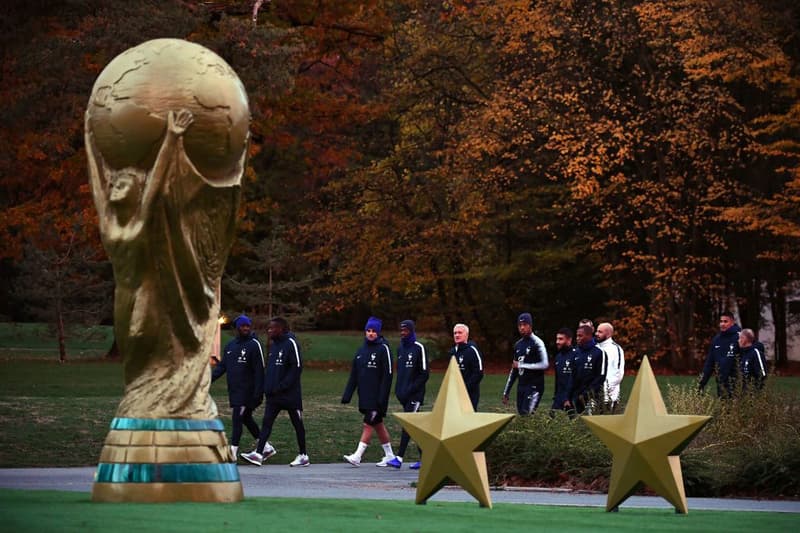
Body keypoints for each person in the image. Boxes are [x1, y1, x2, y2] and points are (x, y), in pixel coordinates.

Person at [241, 317, 309, 467]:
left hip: (290, 395)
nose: (269, 331)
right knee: (266, 423)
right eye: (268, 328)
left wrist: (282, 386)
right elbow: (271, 369)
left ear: (281, 329)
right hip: (273, 395)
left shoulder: (291, 343)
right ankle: (259, 453)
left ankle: (303, 455)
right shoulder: (274, 345)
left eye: (272, 328)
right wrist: (268, 387)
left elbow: (297, 367)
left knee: (297, 424)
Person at [211, 315, 272, 460]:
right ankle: (267, 447)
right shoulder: (230, 346)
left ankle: (232, 452)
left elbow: (259, 370)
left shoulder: (254, 344)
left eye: (248, 326)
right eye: (243, 326)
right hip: (235, 390)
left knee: (237, 418)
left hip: (249, 391)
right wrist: (207, 381)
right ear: (237, 328)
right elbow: (222, 367)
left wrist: (259, 392)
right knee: (245, 418)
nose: (246, 328)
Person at [342, 317, 396, 467]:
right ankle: (390, 455)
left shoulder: (383, 348)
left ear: (378, 333)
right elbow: (354, 374)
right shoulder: (361, 350)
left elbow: (388, 375)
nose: (371, 334)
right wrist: (348, 394)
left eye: (374, 331)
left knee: (368, 424)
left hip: (377, 397)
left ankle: (357, 456)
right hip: (364, 396)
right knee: (377, 424)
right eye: (368, 331)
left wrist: (382, 397)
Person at [386, 320, 429, 470]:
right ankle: (425, 458)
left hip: (415, 395)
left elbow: (424, 374)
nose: (402, 332)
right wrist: (399, 390)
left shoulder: (419, 348)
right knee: (415, 426)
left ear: (411, 331)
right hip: (403, 395)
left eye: (405, 330)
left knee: (408, 424)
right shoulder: (400, 349)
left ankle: (399, 458)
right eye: (401, 330)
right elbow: (401, 373)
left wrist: (411, 389)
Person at [502, 313, 549, 414]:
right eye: (520, 325)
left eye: (525, 324)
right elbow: (514, 369)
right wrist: (506, 391)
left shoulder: (537, 343)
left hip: (534, 386)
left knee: (527, 414)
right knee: (522, 414)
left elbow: (545, 364)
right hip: (521, 386)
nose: (522, 327)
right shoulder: (518, 345)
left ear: (530, 325)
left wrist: (522, 365)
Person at [566, 324, 607, 415]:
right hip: (576, 397)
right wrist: (567, 397)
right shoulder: (575, 352)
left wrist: (587, 394)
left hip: (593, 397)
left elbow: (600, 377)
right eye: (577, 336)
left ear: (589, 336)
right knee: (575, 425)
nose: (577, 338)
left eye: (580, 336)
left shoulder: (599, 352)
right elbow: (572, 376)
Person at [699, 312, 741, 398]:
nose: (722, 324)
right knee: (724, 410)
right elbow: (710, 363)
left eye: (726, 321)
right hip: (721, 384)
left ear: (732, 323)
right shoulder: (716, 339)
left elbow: (749, 356)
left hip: (738, 384)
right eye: (721, 321)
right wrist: (702, 383)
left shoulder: (740, 337)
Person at [449, 323, 484, 410]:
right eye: (455, 333)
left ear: (466, 334)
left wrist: (465, 388)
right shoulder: (452, 352)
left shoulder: (472, 350)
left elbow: (478, 372)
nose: (457, 335)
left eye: (460, 333)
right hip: (455, 394)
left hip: (470, 393)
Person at [596, 322, 625, 412]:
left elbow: (619, 374)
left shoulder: (616, 349)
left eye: (600, 332)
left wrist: (604, 390)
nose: (596, 334)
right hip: (593, 396)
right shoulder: (595, 347)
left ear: (608, 334)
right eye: (597, 331)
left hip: (610, 397)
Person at [551, 327, 578, 415]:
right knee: (551, 420)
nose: (557, 342)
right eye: (557, 339)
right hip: (559, 398)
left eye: (561, 339)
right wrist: (555, 396)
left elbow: (577, 379)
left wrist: (569, 398)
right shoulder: (558, 357)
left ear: (569, 340)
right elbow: (557, 380)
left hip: (571, 399)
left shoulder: (576, 355)